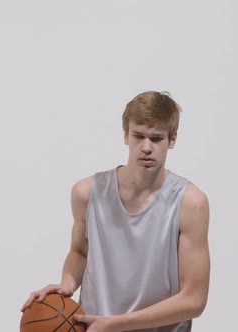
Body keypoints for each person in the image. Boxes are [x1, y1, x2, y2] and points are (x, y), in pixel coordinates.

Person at [21, 91, 210, 331]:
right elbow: (79, 252)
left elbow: (194, 300)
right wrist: (67, 284)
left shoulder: (190, 203)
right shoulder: (87, 193)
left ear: (172, 140)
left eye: (156, 138)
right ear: (125, 136)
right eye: (138, 136)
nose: (146, 147)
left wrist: (115, 324)